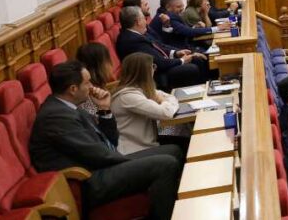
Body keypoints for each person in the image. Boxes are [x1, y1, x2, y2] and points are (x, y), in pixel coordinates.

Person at [29, 61, 182, 220]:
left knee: (174, 150)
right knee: (165, 164)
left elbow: (109, 141)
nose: (91, 86)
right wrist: (128, 161)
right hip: (86, 181)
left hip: (99, 165)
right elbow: (95, 153)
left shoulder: (68, 105)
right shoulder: (56, 117)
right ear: (73, 89)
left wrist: (104, 109)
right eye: (87, 82)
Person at [116, 6, 209, 89]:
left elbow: (159, 46)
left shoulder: (137, 34)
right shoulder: (132, 40)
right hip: (155, 75)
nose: (145, 21)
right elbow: (159, 63)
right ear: (138, 22)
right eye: (144, 18)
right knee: (191, 67)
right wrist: (182, 60)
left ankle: (204, 90)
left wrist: (176, 53)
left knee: (196, 59)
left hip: (162, 64)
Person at [111, 53, 180, 155]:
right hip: (136, 150)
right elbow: (166, 113)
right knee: (179, 148)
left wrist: (164, 101)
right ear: (143, 71)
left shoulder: (140, 89)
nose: (154, 69)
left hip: (149, 141)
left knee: (185, 136)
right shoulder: (128, 96)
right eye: (152, 66)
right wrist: (164, 102)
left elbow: (170, 97)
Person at [149, 0, 229, 51]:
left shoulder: (165, 14)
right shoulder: (168, 16)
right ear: (168, 7)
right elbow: (188, 32)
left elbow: (182, 30)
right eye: (178, 7)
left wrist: (194, 27)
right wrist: (217, 28)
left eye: (182, 6)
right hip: (177, 49)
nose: (182, 9)